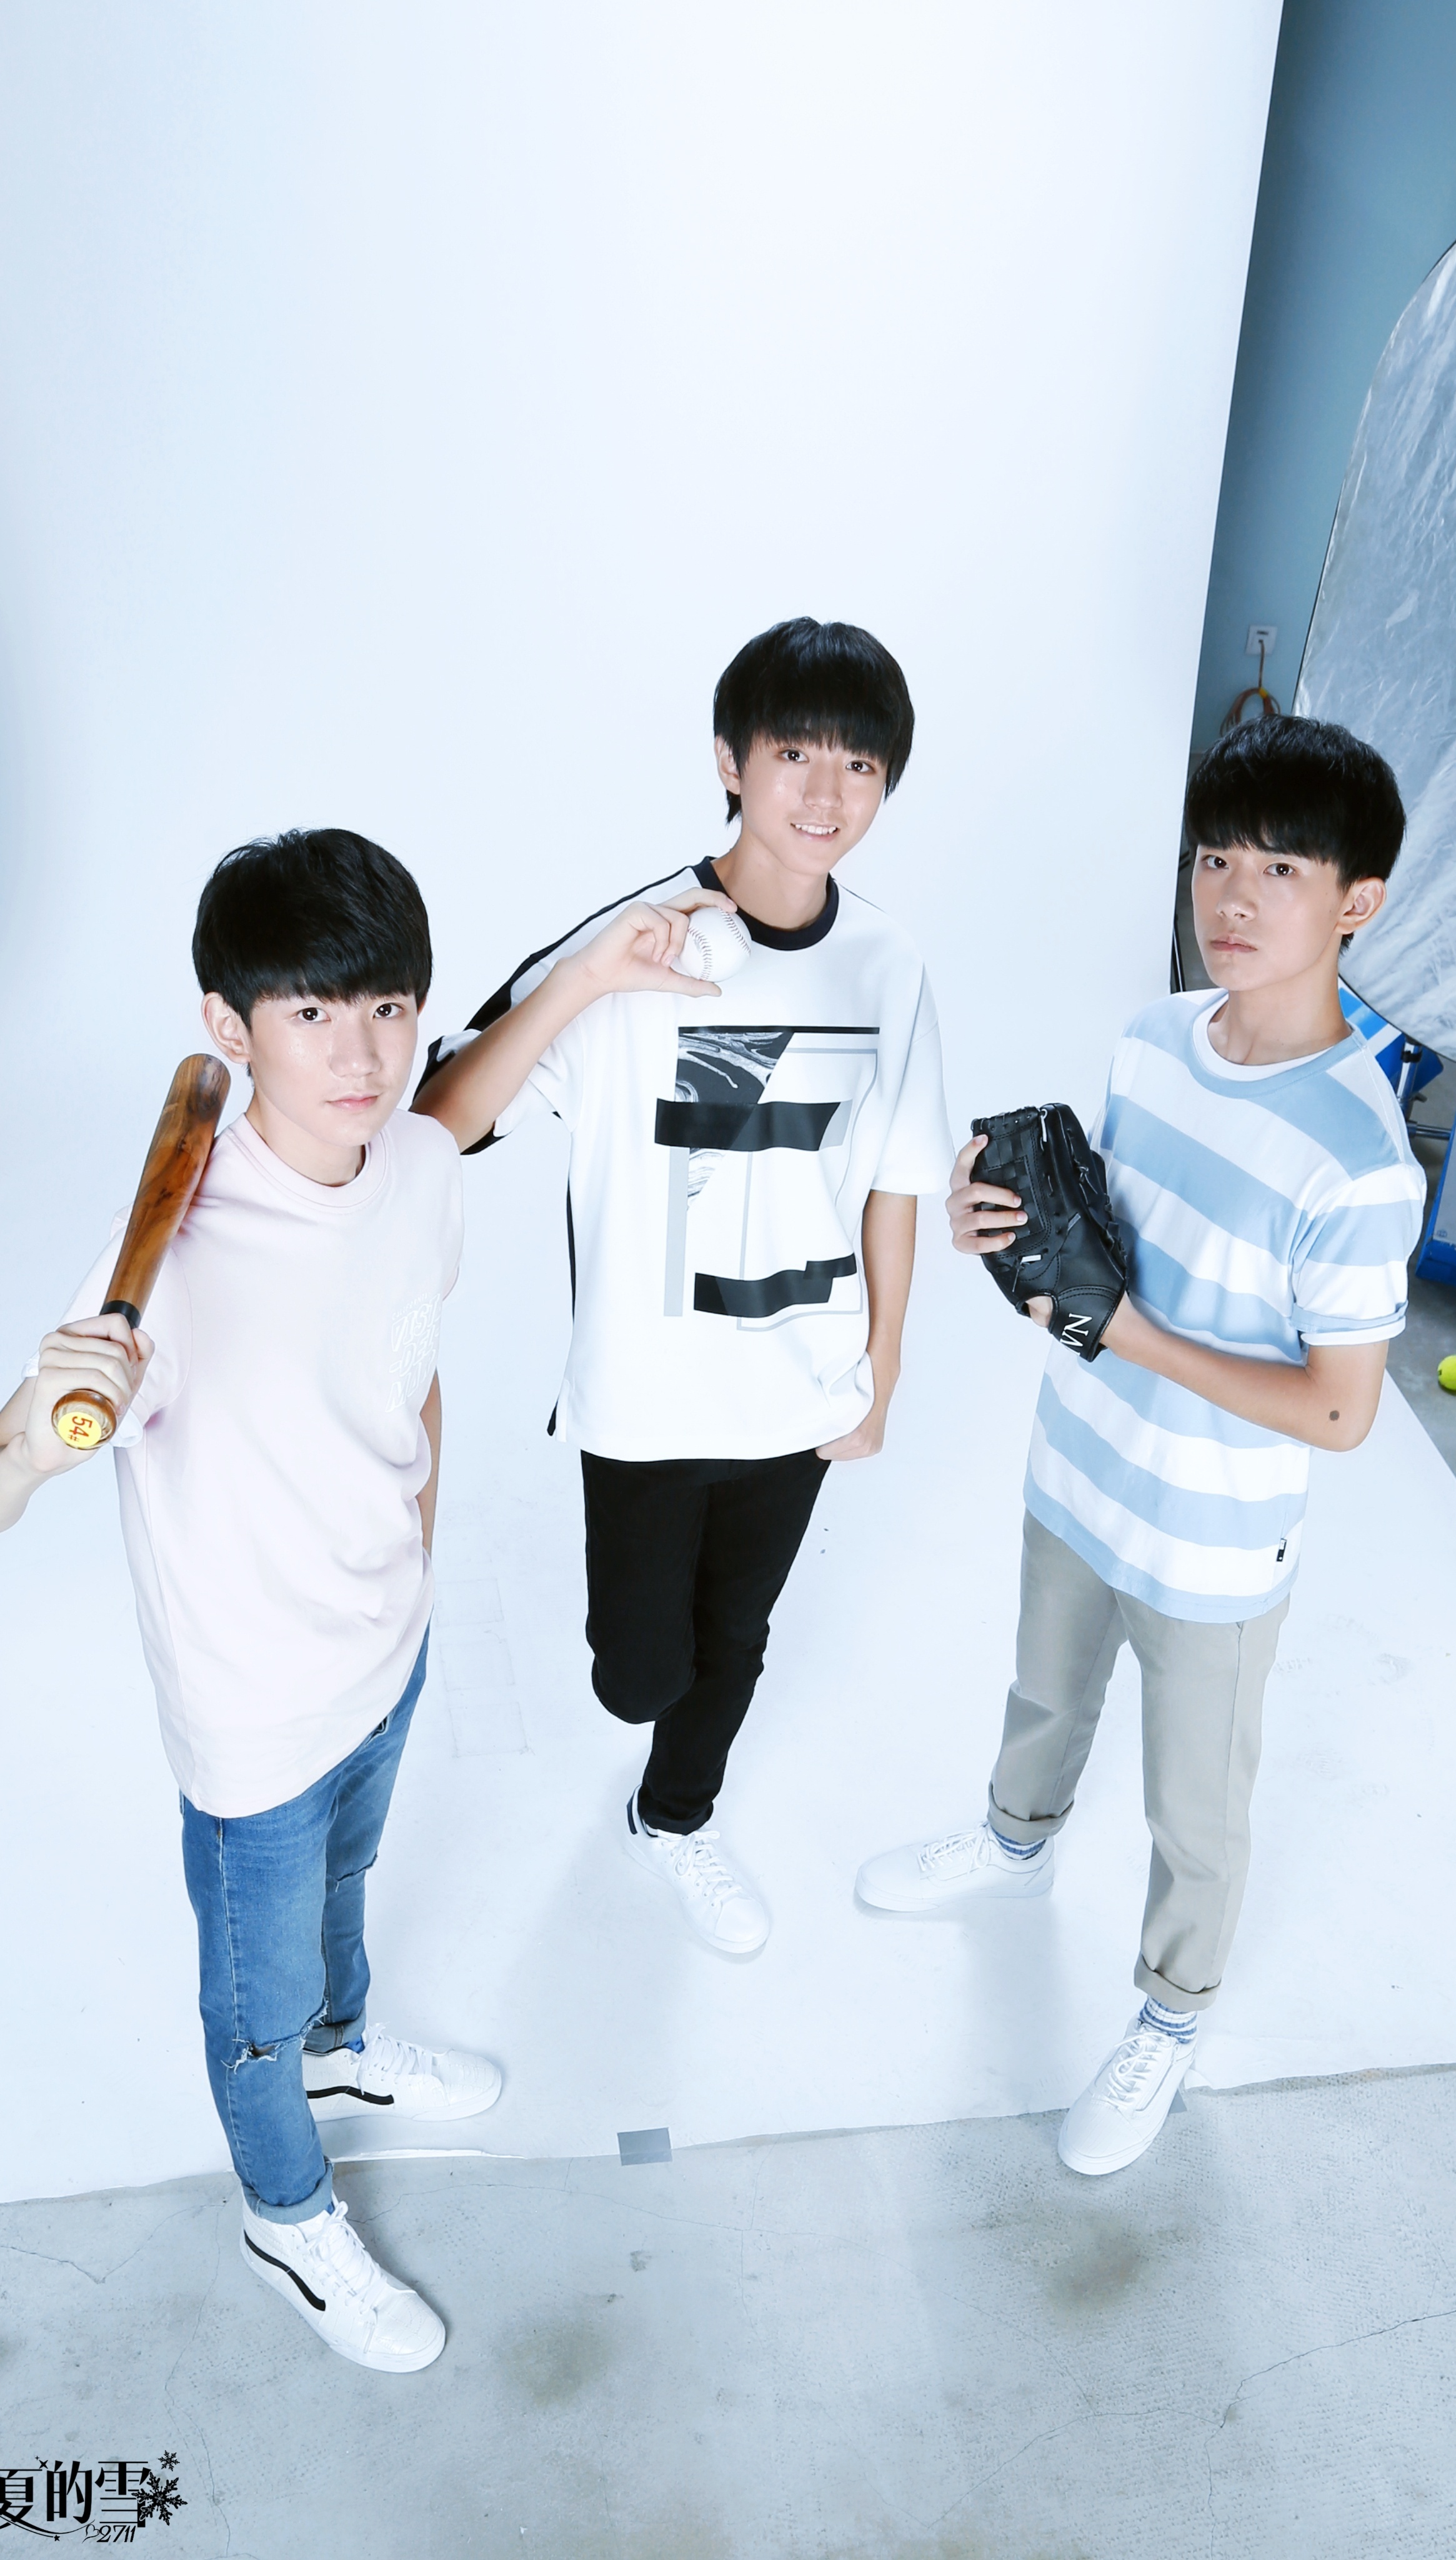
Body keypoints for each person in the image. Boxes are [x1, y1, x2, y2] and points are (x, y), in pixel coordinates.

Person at [0, 827, 711, 2372]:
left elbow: (419, 1308)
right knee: (253, 2003)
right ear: (228, 1026)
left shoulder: (411, 1164)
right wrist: (31, 1446)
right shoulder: (165, 1276)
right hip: (253, 1719)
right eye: (309, 1012)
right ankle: (284, 2208)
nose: (358, 1054)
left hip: (385, 1649)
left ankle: (346, 2054)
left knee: (351, 1891)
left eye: (386, 1007)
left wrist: (589, 976)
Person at [856, 716, 1426, 2176]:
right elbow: (1115, 1243)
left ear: (1354, 901)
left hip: (1212, 1538)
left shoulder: (1358, 1154)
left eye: (1278, 868)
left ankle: (1170, 2012)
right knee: (1041, 1689)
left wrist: (1125, 1332)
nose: (1229, 896)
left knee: (1194, 1807)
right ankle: (1013, 1843)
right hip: (1079, 1463)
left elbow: (1341, 1409)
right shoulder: (1153, 1037)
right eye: (1212, 859)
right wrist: (1009, 1227)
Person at [416, 617, 952, 1956]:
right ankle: (652, 1742)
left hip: (802, 1381)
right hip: (648, 1398)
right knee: (639, 1673)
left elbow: (894, 1179)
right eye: (794, 755)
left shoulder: (888, 963)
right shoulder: (636, 939)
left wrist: (882, 1367)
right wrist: (588, 981)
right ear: (729, 760)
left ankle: (675, 1816)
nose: (826, 794)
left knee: (738, 1634)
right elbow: (443, 1118)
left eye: (859, 766)